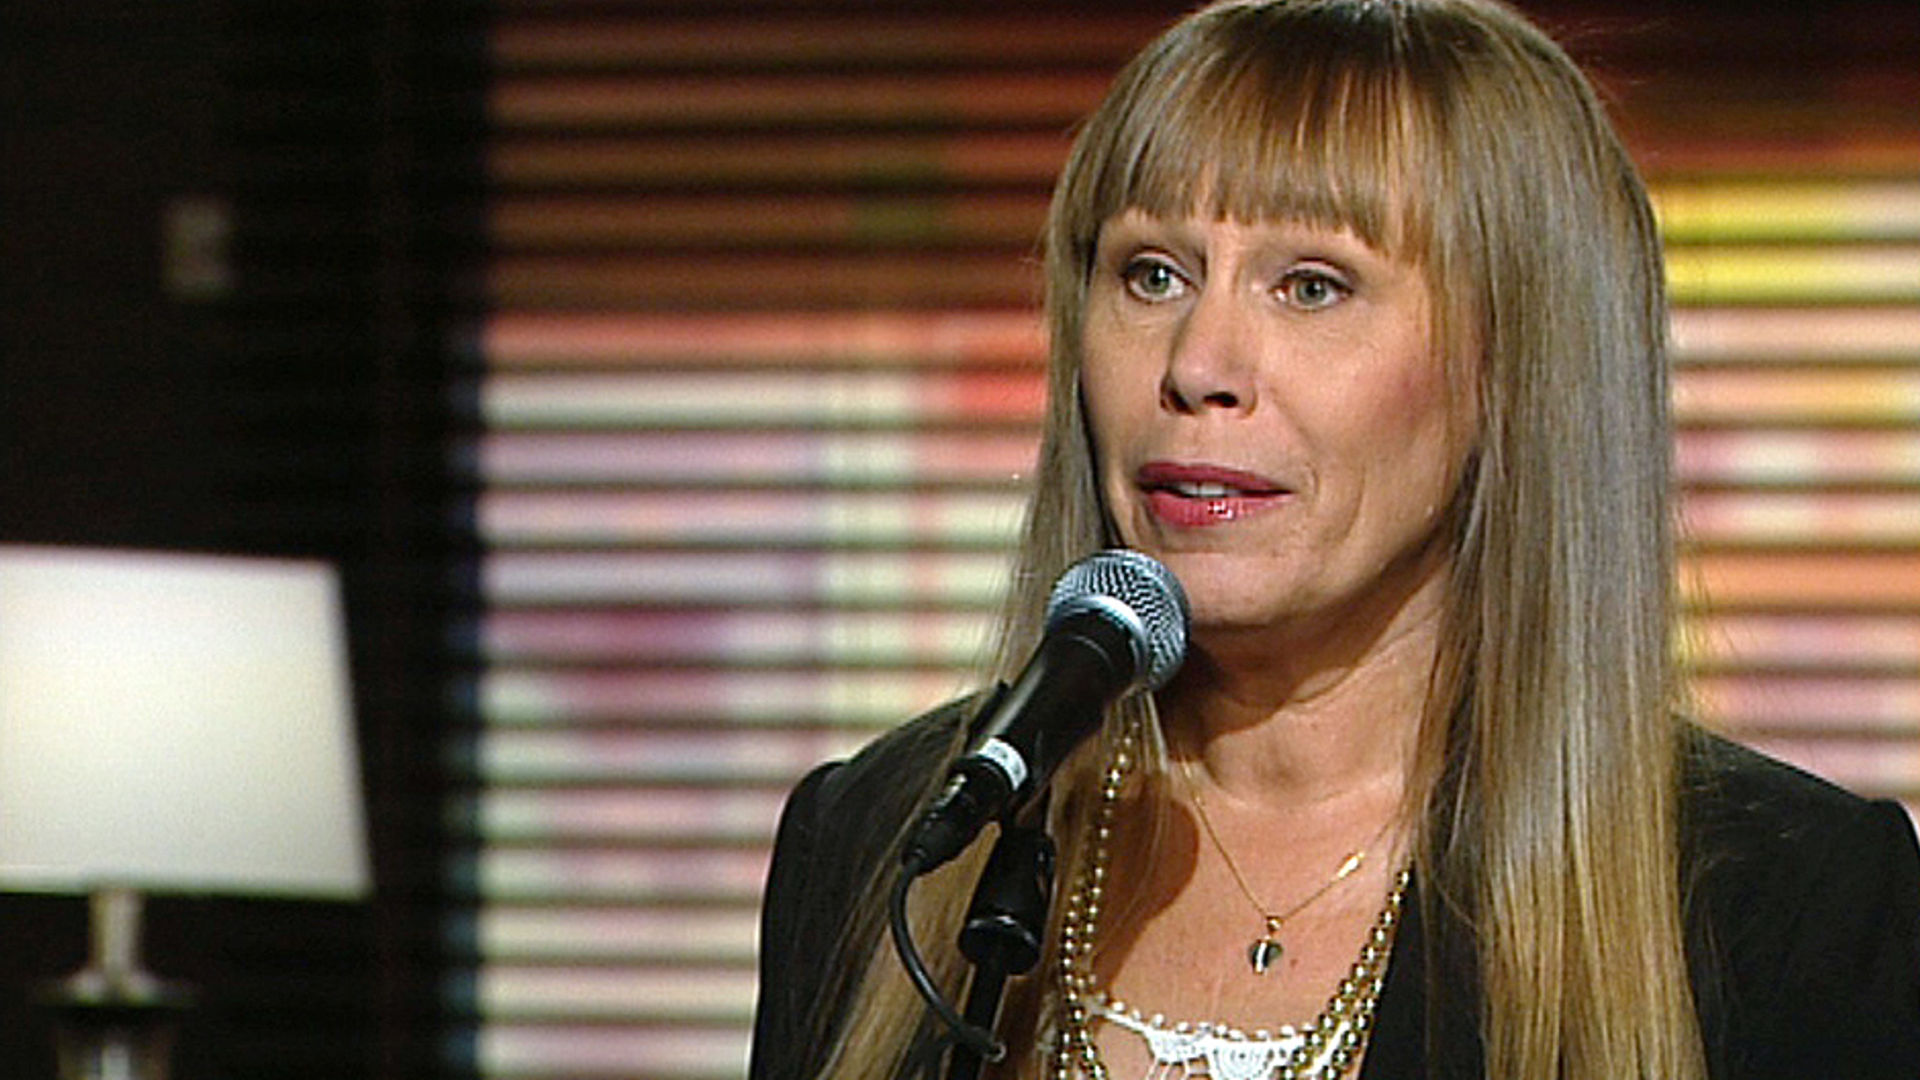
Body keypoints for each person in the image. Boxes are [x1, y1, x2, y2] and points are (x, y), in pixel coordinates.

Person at [749, 1, 1920, 1078]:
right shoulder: (881, 843)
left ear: (1516, 369)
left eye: (1312, 287)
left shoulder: (1786, 905)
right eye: (1152, 275)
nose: (1197, 366)